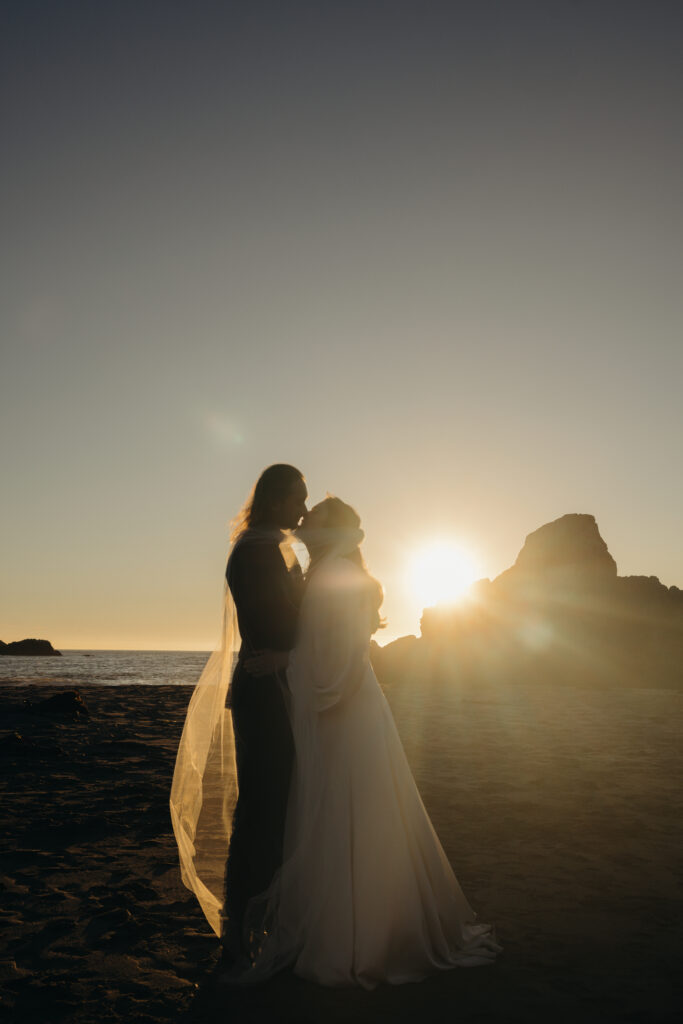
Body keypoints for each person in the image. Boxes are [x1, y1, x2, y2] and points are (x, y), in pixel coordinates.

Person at [232, 496, 500, 989]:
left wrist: (282, 663)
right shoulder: (333, 570)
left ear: (327, 532)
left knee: (344, 810)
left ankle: (357, 937)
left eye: (312, 517)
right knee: (354, 810)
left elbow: (334, 652)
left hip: (344, 710)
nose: (303, 518)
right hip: (354, 707)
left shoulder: (332, 573)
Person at [169, 464, 308, 968]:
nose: (303, 509)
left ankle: (257, 920)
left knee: (273, 807)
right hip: (265, 692)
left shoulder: (268, 548)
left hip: (270, 687)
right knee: (262, 811)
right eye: (298, 498)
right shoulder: (257, 555)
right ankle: (241, 929)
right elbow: (282, 626)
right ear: (274, 500)